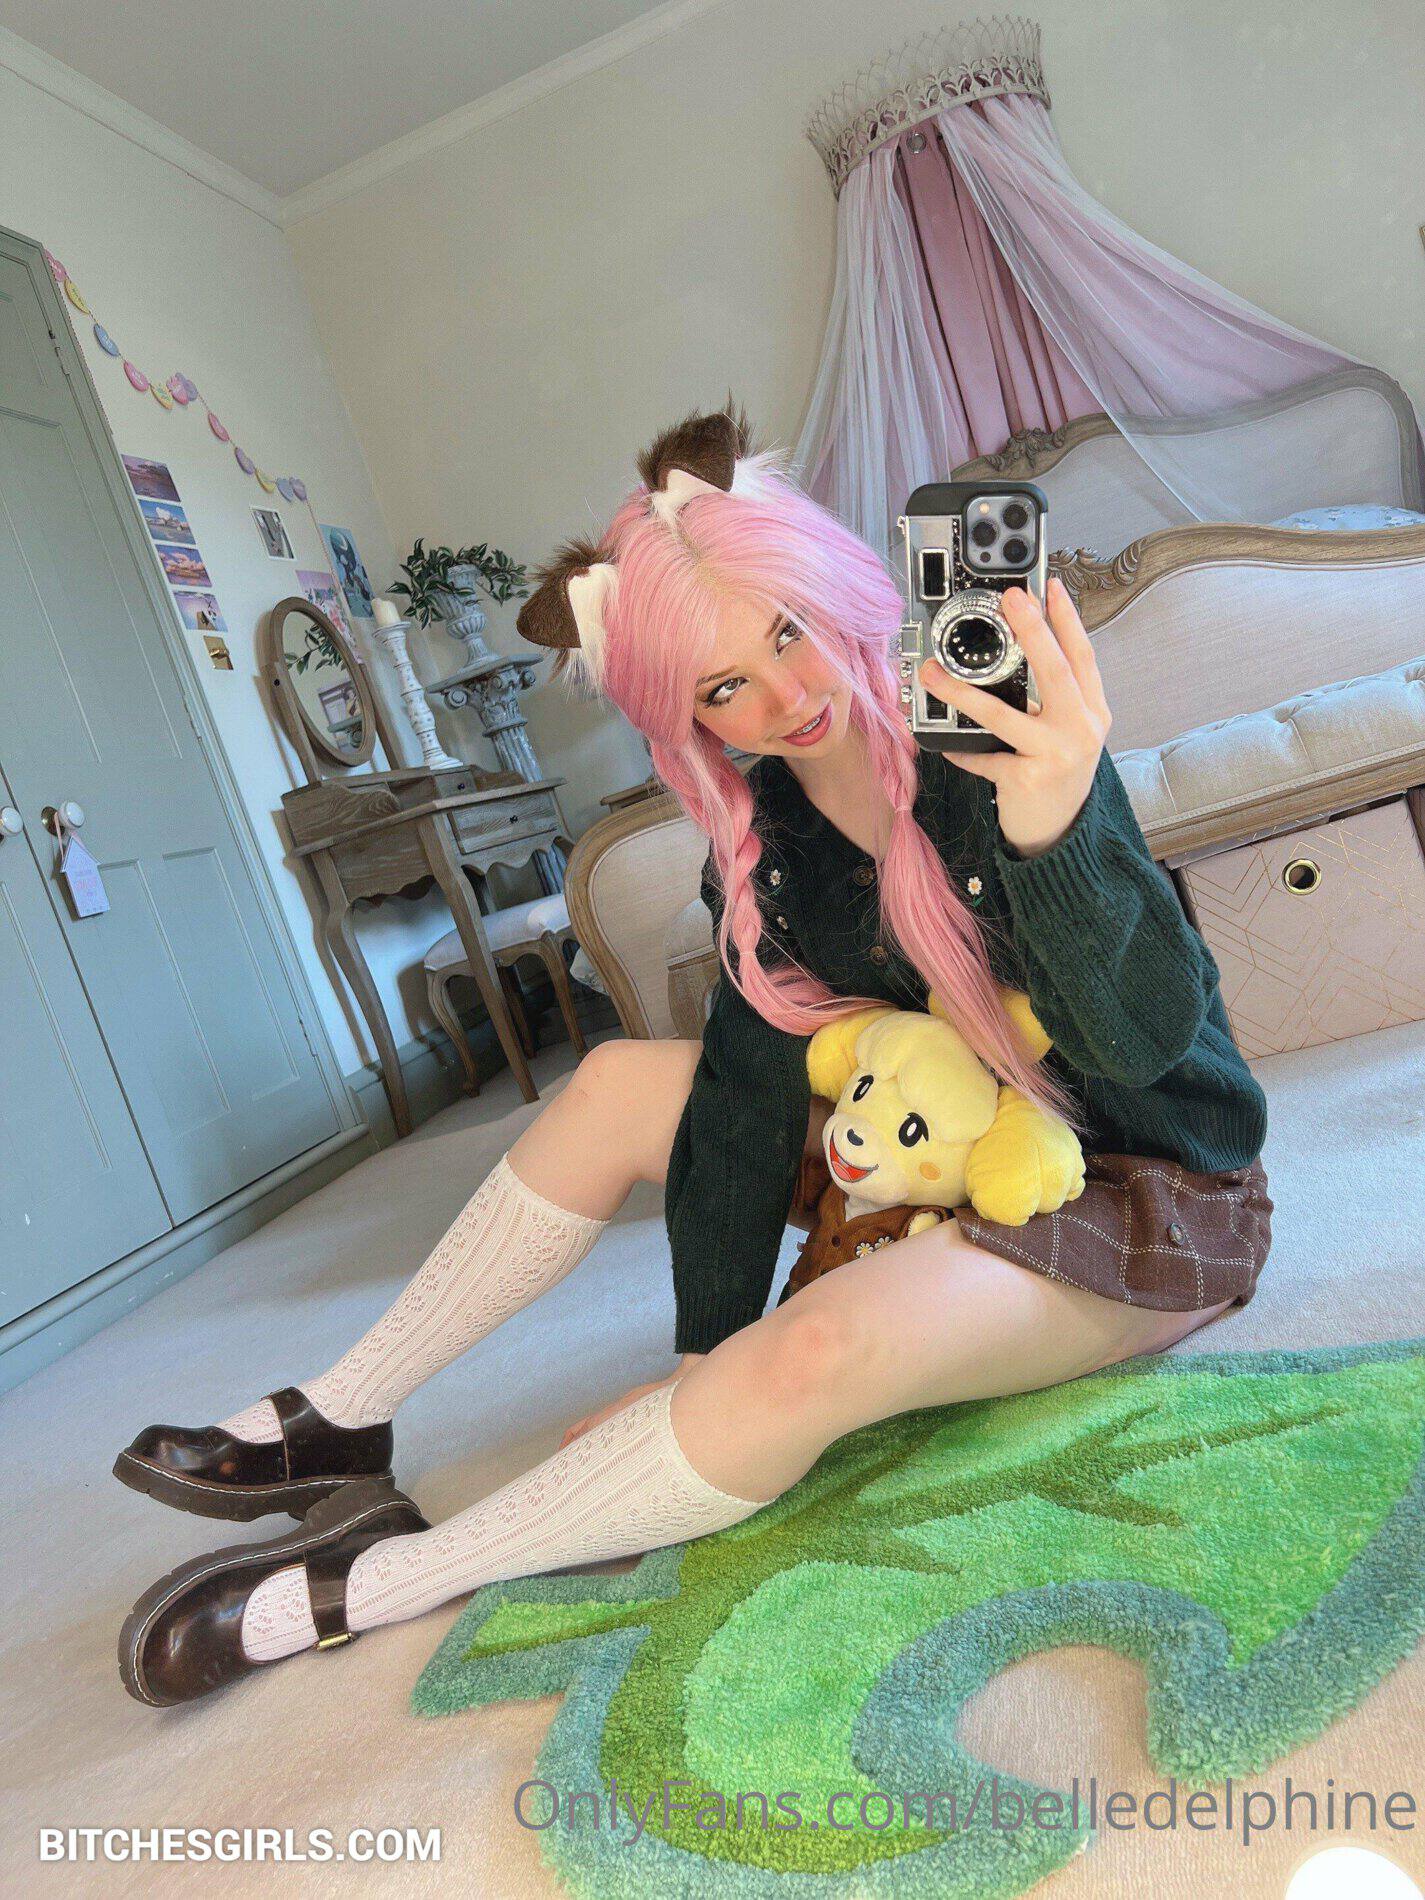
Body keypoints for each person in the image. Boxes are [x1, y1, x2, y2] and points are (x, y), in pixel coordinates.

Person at [114, 400, 1272, 1706]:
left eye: (787, 628)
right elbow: (739, 1098)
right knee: (617, 1079)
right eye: (724, 687)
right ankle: (340, 1415)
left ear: (832, 587)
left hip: (1137, 1187)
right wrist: (696, 1354)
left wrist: (1055, 823)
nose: (786, 697)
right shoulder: (768, 845)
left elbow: (1142, 1046)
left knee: (813, 1355)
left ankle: (381, 1581)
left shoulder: (996, 740)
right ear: (688, 714)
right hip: (929, 1150)